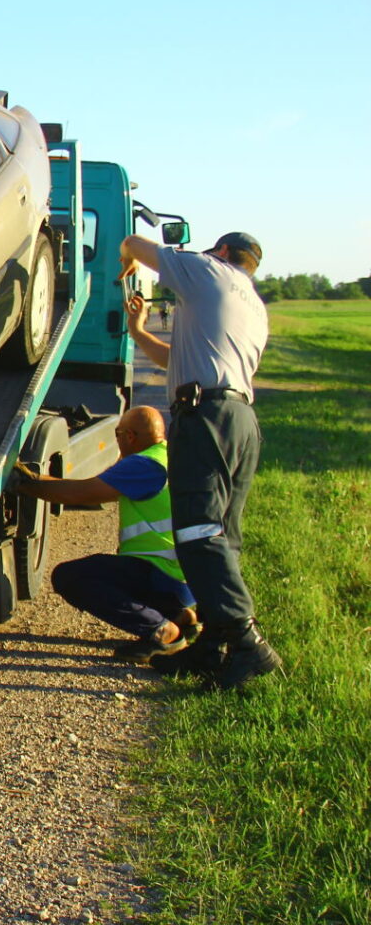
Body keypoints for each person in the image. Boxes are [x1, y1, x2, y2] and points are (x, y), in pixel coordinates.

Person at [118, 230, 282, 689]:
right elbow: (179, 360)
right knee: (222, 535)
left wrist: (129, 259)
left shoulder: (211, 271)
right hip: (238, 419)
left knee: (198, 531)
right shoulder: (252, 306)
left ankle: (247, 644)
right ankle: (214, 646)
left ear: (223, 252)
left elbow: (134, 242)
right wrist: (139, 332)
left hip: (205, 419)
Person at [11, 406, 199, 661]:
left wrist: (23, 483)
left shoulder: (142, 465)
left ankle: (161, 631)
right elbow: (89, 488)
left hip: (162, 574)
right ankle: (178, 614)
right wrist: (36, 478)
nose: (117, 440)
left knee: (71, 577)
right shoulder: (165, 456)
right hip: (185, 576)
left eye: (117, 434)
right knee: (119, 570)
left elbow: (81, 493)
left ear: (130, 436)